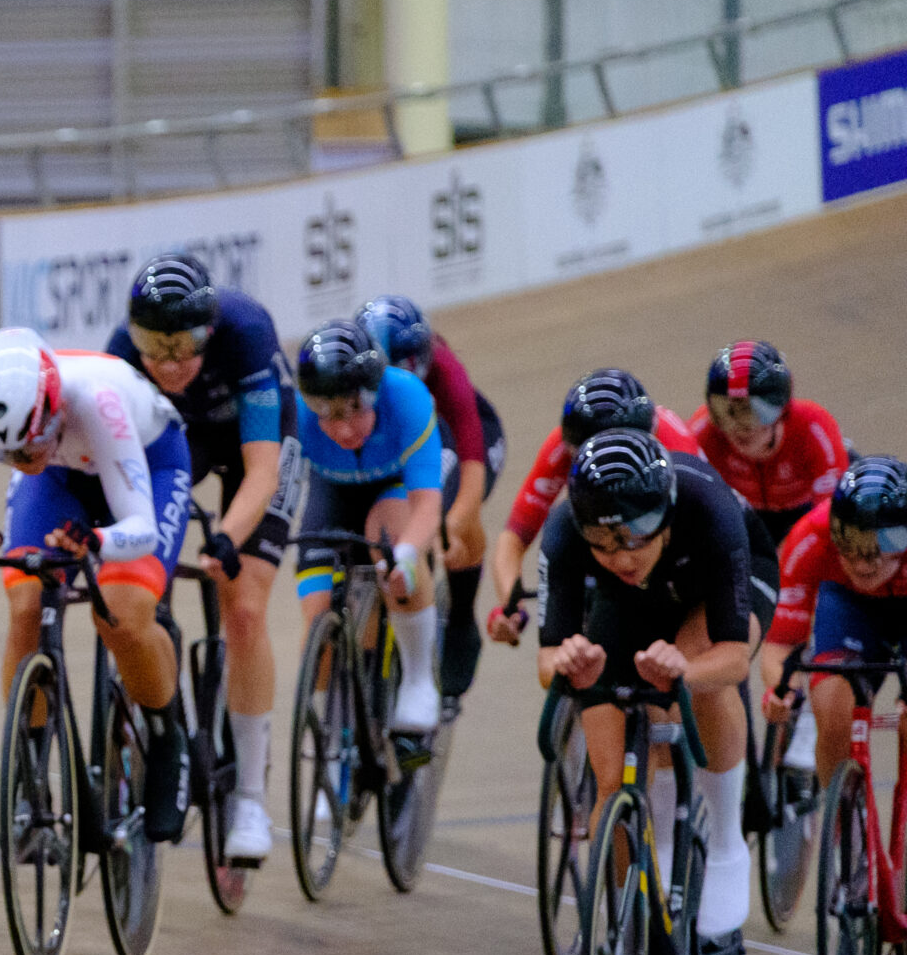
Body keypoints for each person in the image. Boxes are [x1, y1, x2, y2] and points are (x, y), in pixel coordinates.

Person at [0, 326, 198, 842]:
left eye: (32, 444)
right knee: (26, 604)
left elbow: (140, 528)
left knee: (122, 616)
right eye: (10, 455)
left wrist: (97, 541)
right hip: (62, 477)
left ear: (53, 409)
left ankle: (166, 736)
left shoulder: (97, 402)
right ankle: (31, 770)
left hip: (150, 464)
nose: (23, 460)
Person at [105, 254, 300, 864]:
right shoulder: (119, 358)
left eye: (183, 349)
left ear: (208, 333)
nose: (168, 365)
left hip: (252, 446)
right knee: (137, 591)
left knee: (243, 606)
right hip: (175, 445)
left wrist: (226, 540)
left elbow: (263, 472)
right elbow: (113, 475)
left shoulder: (246, 334)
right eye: (154, 349)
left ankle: (250, 800)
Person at [537, 429, 754, 942]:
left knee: (696, 670)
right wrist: (568, 662)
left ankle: (726, 843)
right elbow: (547, 660)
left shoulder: (710, 510)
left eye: (637, 534)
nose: (621, 556)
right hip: (628, 603)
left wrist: (686, 674)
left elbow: (736, 657)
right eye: (603, 542)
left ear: (667, 513)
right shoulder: (564, 530)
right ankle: (623, 937)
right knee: (611, 782)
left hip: (704, 593)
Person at [291, 318, 444, 737]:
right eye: (327, 413)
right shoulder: (296, 413)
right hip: (331, 494)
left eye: (354, 408)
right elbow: (273, 486)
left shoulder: (407, 396)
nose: (342, 428)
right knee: (317, 619)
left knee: (392, 543)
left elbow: (427, 506)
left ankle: (418, 680)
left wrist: (408, 557)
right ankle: (333, 738)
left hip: (392, 488)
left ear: (375, 392)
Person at [357, 295, 503, 708]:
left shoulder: (445, 371)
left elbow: (471, 467)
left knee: (453, 517)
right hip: (398, 439)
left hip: (457, 439)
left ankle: (460, 617)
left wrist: (450, 523)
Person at [487, 367, 700, 642]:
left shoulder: (676, 451)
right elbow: (515, 535)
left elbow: (700, 541)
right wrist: (511, 605)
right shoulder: (563, 444)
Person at [761, 456, 907, 786]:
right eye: (849, 545)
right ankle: (839, 812)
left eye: (878, 547)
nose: (862, 564)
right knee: (831, 713)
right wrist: (782, 691)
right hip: (850, 604)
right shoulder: (810, 536)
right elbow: (781, 642)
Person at [693, 339, 848, 549]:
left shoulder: (813, 426)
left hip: (805, 509)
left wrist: (797, 543)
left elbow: (831, 512)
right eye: (726, 412)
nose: (740, 427)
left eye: (754, 411)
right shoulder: (703, 431)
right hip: (748, 513)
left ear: (782, 408)